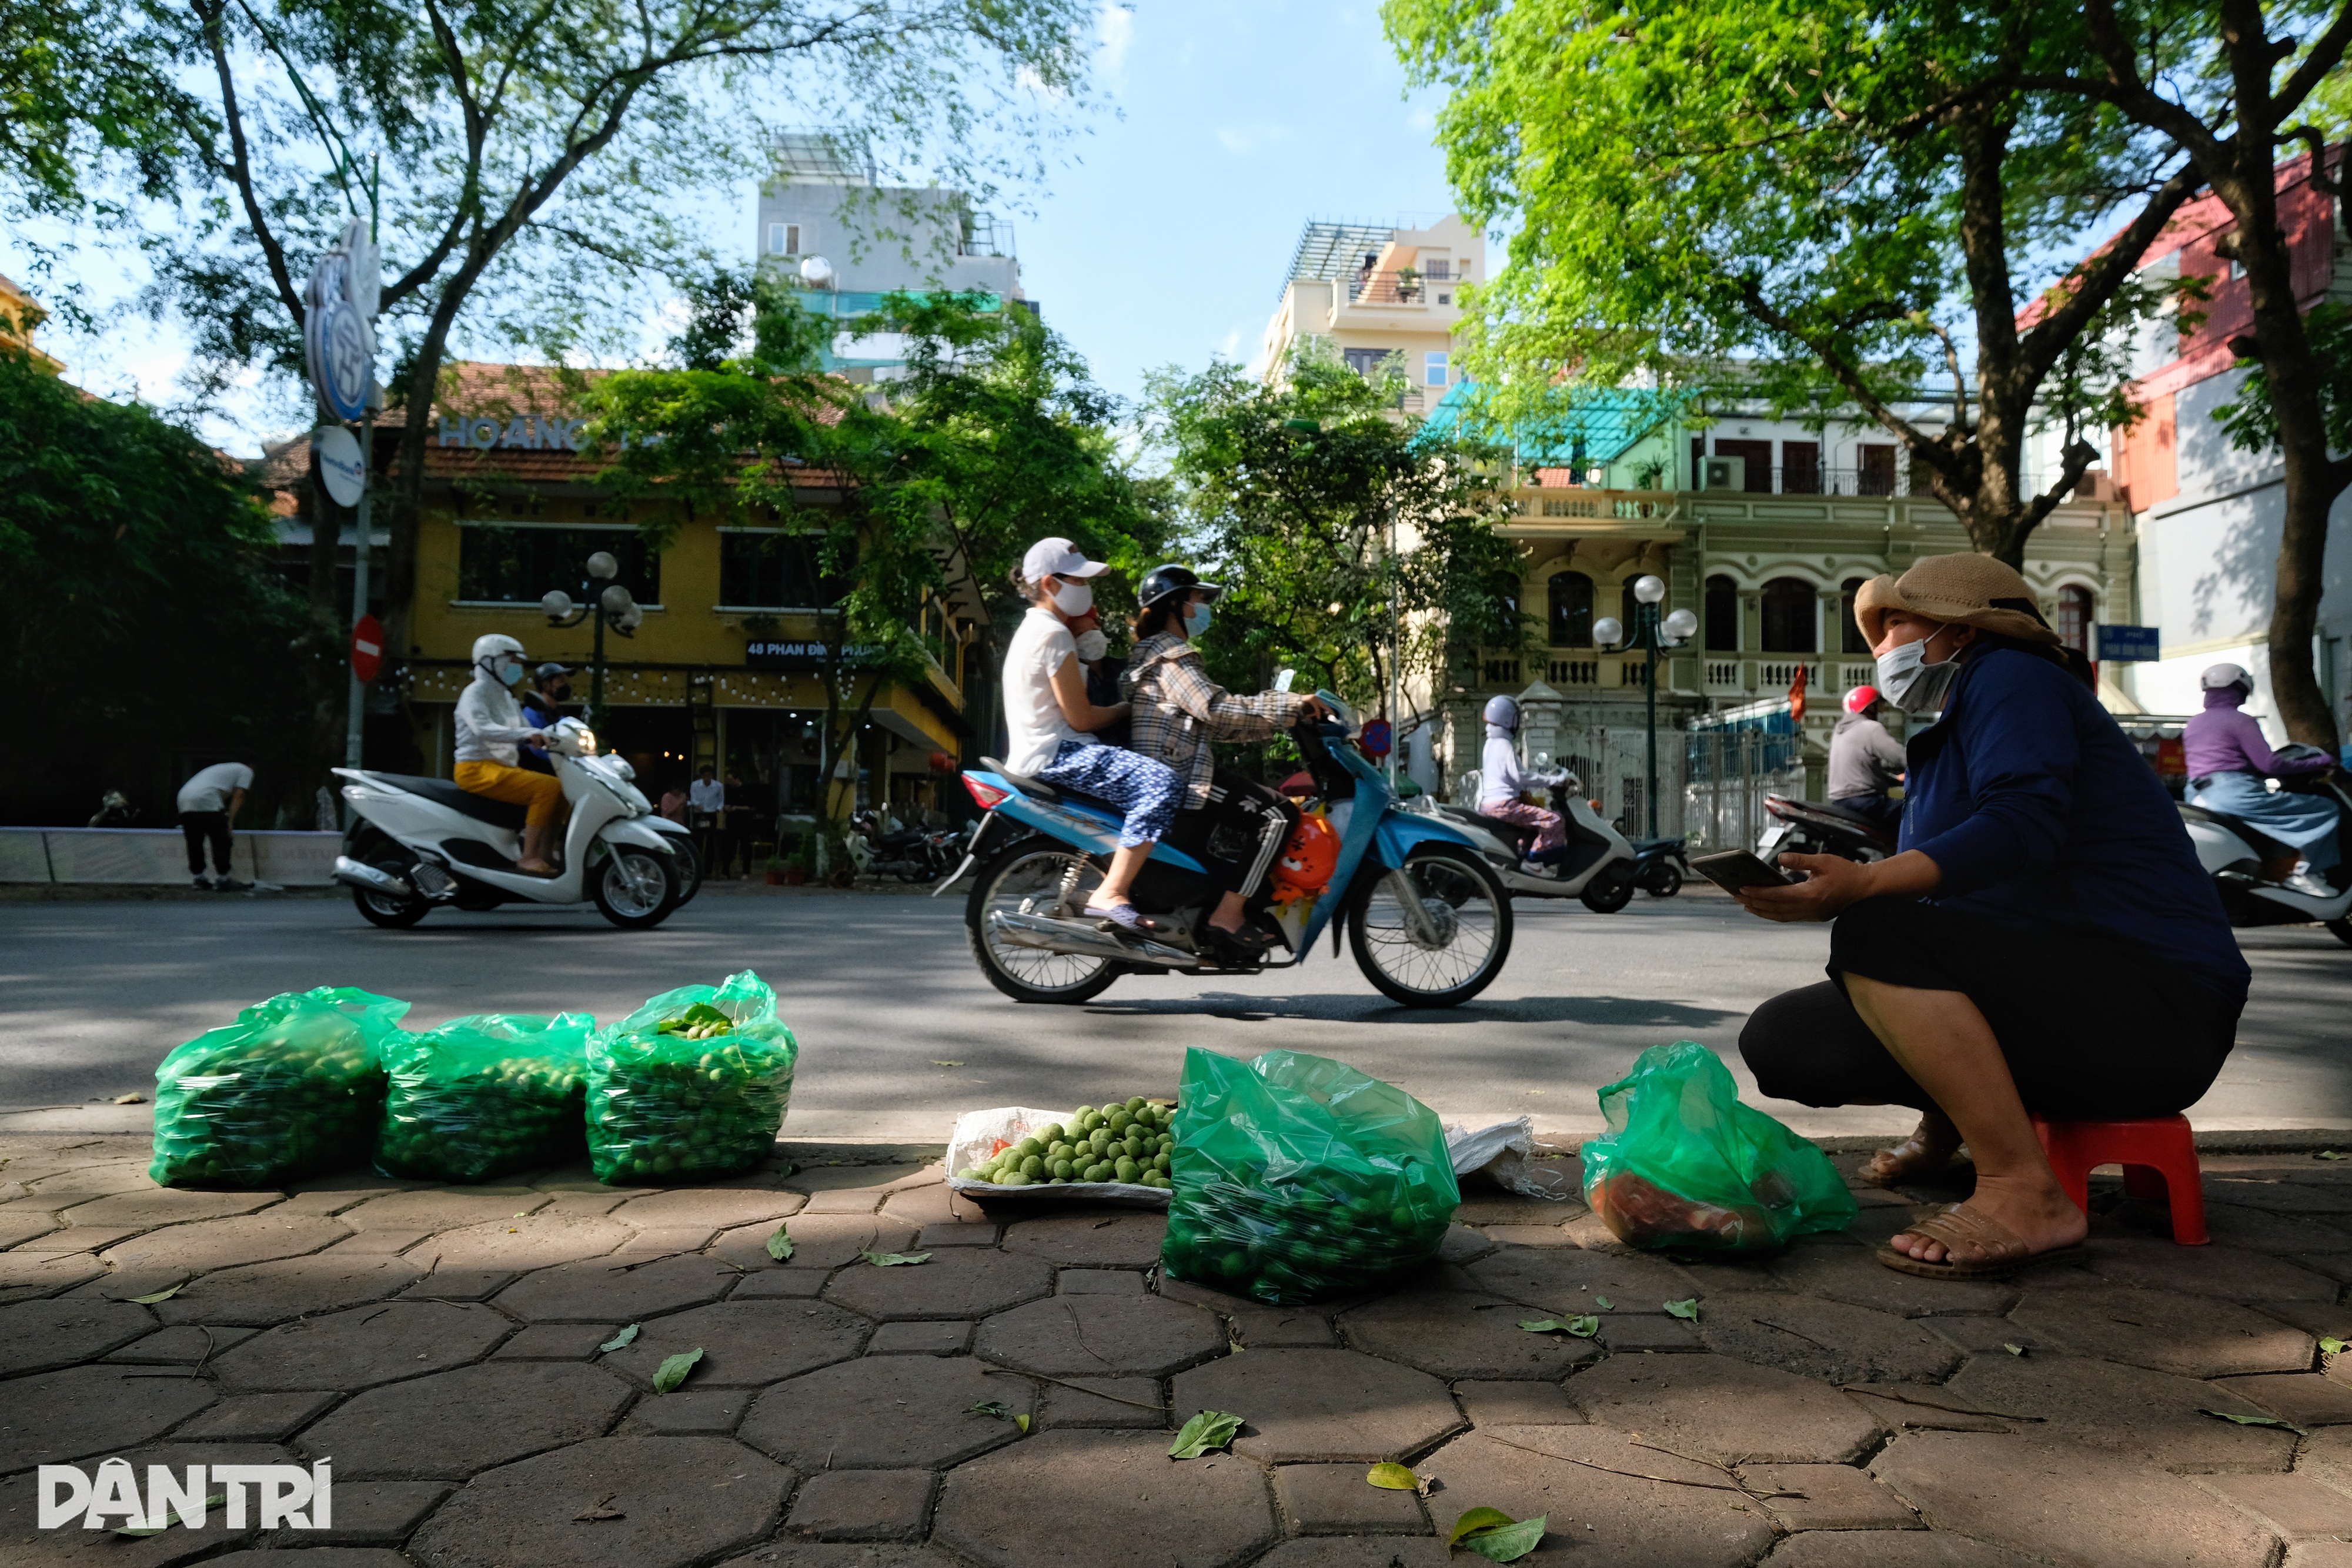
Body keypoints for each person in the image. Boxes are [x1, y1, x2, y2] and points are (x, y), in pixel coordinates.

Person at [1732, 553, 2249, 1279]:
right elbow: (1968, 925)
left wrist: (1864, 886)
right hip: (2072, 997)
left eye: (1897, 624)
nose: (1882, 648)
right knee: (1786, 1039)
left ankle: (2023, 1188)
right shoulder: (1954, 726)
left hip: (2158, 1008)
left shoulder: (2016, 675)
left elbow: (2019, 828)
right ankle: (1949, 1126)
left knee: (1880, 927)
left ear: (1958, 630)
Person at [1122, 563, 1328, 958]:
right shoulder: (1170, 657)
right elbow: (1216, 710)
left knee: (1263, 800)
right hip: (1179, 775)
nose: (1203, 607)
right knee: (1277, 814)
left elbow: (1216, 725)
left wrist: (1282, 718)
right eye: (1199, 599)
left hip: (1179, 764)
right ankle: (1228, 915)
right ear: (1177, 605)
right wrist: (1290, 703)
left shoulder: (1160, 655)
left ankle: (1225, 903)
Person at [1004, 537, 1182, 932]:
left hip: (1046, 750)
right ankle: (1111, 890)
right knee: (1162, 784)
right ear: (1049, 584)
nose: (1087, 591)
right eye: (1079, 581)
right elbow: (1081, 717)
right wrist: (1130, 708)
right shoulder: (1052, 634)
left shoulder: (1037, 629)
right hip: (1059, 753)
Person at [2184, 663, 2340, 897]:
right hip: (2234, 794)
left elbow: (2228, 762)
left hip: (2196, 796)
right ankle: (2306, 874)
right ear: (2241, 688)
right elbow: (2269, 764)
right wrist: (2319, 762)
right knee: (2325, 810)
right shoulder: (2241, 720)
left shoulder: (2194, 723)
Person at [453, 633, 565, 874]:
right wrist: (525, 735)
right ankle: (528, 857)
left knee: (564, 790)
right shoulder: (474, 694)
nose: (518, 668)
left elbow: (525, 727)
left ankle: (547, 852)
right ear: (490, 661)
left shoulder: (506, 697)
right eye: (512, 661)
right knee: (547, 789)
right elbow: (483, 728)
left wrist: (556, 738)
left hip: (502, 768)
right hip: (475, 768)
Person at [1478, 696, 1570, 870]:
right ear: (1508, 719)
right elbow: (1520, 777)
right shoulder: (1504, 745)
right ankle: (1533, 863)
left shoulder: (1491, 743)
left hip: (1491, 804)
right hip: (1505, 805)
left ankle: (1521, 856)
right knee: (1554, 820)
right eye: (1517, 718)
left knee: (1534, 826)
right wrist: (1554, 781)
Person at [1828, 684, 1907, 833]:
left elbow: (1862, 770)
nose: (1883, 711)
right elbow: (1902, 757)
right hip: (1868, 803)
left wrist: (1895, 781)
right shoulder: (1871, 728)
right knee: (1914, 812)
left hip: (1841, 803)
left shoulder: (1841, 731)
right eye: (1880, 706)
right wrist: (1928, 764)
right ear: (1869, 707)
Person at [175, 761, 252, 890]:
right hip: (207, 799)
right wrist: (230, 821)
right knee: (221, 839)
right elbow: (239, 795)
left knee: (194, 841)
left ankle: (199, 878)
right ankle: (223, 878)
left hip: (184, 799)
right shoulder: (246, 770)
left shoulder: (220, 770)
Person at [517, 663, 574, 775]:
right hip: (540, 773)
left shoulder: (559, 717)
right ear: (546, 685)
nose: (566, 685)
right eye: (561, 681)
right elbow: (537, 750)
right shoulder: (531, 714)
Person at [690, 764, 726, 877]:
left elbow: (721, 800)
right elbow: (693, 798)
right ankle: (697, 868)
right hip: (699, 814)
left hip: (711, 814)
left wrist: (718, 809)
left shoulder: (718, 786)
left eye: (709, 776)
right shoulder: (695, 785)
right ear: (702, 776)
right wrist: (697, 805)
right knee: (698, 841)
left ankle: (708, 870)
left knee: (711, 842)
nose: (707, 778)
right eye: (705, 776)